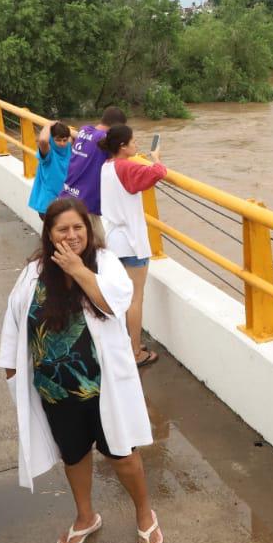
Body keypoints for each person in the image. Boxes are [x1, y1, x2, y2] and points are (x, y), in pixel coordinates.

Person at [0, 197, 163, 543]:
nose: (72, 235)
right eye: (62, 229)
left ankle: (145, 514)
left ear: (88, 231)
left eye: (78, 228)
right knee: (73, 456)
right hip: (56, 391)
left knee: (122, 455)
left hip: (103, 388)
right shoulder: (34, 271)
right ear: (48, 233)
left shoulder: (105, 264)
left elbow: (113, 305)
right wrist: (12, 374)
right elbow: (14, 323)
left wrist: (78, 269)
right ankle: (85, 516)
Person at [98, 125, 166, 368]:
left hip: (113, 240)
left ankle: (125, 343)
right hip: (132, 242)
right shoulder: (127, 167)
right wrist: (156, 159)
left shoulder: (107, 167)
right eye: (133, 142)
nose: (136, 146)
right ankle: (135, 352)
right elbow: (158, 173)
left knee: (119, 297)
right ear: (122, 147)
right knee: (135, 299)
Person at [59, 106, 126, 238]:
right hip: (85, 205)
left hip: (67, 196)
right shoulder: (105, 140)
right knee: (97, 249)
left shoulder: (85, 130)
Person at [28, 121, 72, 217]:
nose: (62, 143)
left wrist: (66, 129)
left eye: (64, 140)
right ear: (51, 139)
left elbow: (81, 136)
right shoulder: (49, 152)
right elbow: (43, 140)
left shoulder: (68, 148)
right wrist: (48, 124)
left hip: (64, 202)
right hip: (48, 204)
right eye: (58, 140)